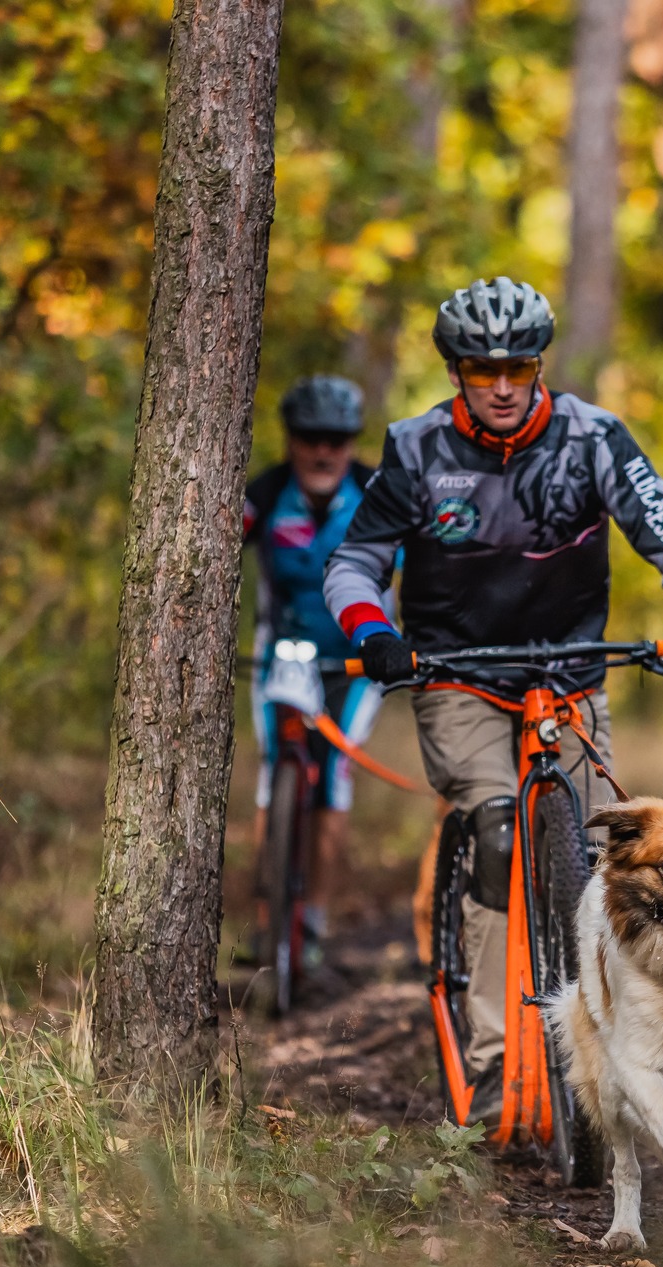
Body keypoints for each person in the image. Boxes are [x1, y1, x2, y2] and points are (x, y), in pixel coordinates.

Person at [324, 277, 663, 1115]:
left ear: (539, 365)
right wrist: (372, 631)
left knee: (601, 860)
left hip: (570, 673)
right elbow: (354, 563)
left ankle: (612, 1048)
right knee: (498, 829)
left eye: (518, 367)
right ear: (457, 371)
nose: (502, 386)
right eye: (481, 370)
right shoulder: (416, 448)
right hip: (457, 673)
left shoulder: (593, 439)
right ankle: (493, 1054)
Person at [244, 375, 383, 960]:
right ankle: (264, 919)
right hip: (281, 652)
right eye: (310, 438)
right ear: (291, 439)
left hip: (357, 662)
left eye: (337, 438)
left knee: (332, 780)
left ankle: (318, 920)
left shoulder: (378, 491)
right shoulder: (266, 493)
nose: (324, 451)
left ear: (351, 441)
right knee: (275, 768)